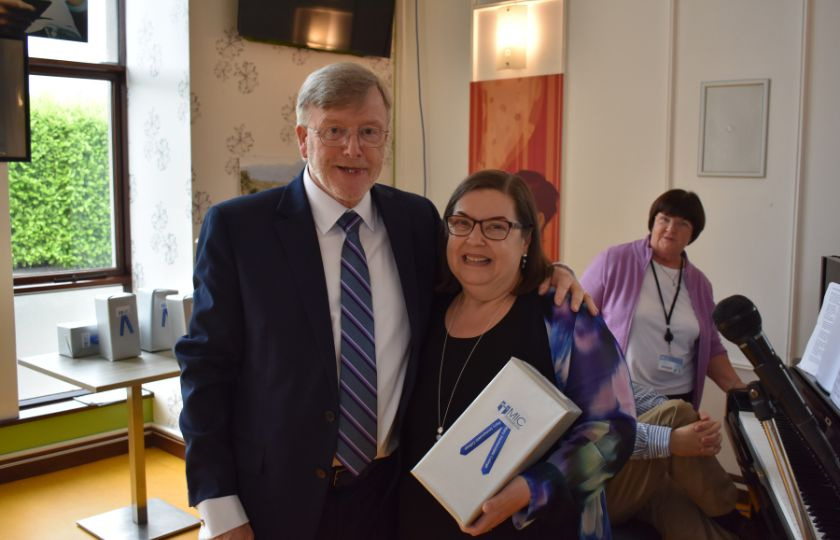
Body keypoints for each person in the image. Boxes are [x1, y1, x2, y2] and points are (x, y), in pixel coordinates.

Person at [176, 63, 588, 540]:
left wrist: (551, 270)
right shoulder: (238, 229)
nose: (354, 149)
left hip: (390, 495)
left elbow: (475, 269)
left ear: (385, 139)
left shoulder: (414, 220)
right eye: (335, 131)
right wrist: (220, 506)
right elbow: (206, 369)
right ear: (302, 138)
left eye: (370, 132)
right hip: (273, 499)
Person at [397, 170, 636, 540]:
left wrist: (531, 488)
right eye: (461, 223)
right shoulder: (423, 308)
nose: (474, 239)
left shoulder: (564, 319)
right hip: (419, 521)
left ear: (526, 240)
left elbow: (614, 430)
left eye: (496, 227)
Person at [580, 189, 748, 537]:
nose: (670, 228)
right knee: (679, 419)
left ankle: (735, 524)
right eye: (663, 219)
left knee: (686, 509)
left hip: (672, 398)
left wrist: (739, 389)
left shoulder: (699, 284)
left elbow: (711, 345)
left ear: (693, 234)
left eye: (681, 223)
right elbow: (578, 318)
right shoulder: (615, 261)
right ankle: (728, 507)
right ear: (652, 222)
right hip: (622, 405)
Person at [608, 383, 745, 540]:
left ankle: (738, 525)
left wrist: (695, 423)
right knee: (676, 413)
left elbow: (628, 393)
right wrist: (670, 439)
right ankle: (731, 516)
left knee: (685, 516)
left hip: (609, 477)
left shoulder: (593, 363)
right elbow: (587, 438)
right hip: (582, 499)